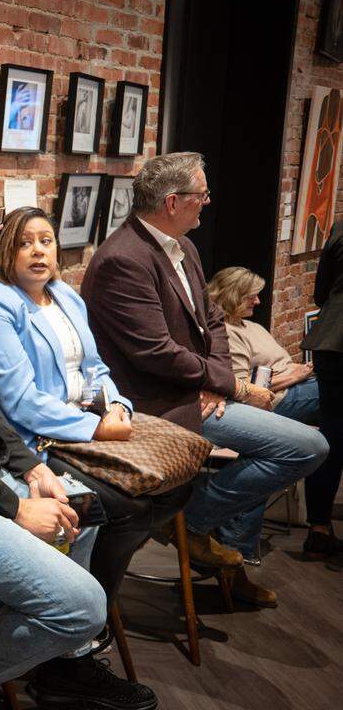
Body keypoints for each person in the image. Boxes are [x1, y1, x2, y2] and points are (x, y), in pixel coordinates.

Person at [0, 170, 158, 710]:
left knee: (77, 507)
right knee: (84, 605)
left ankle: (60, 666)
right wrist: (12, 504)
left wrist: (30, 469)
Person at [81, 151, 328, 607]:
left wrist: (219, 380)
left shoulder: (184, 248)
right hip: (156, 404)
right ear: (173, 202)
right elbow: (154, 351)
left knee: (307, 441)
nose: (208, 201)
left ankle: (203, 531)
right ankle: (198, 528)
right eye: (202, 194)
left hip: (200, 390)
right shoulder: (124, 259)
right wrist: (233, 385)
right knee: (307, 446)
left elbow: (211, 318)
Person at [210, 266, 340, 562]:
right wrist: (291, 377)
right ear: (233, 296)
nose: (257, 302)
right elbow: (240, 389)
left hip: (299, 387)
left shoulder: (251, 326)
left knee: (271, 455)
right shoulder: (227, 333)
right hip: (276, 399)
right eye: (251, 297)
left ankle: (239, 547)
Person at [301, 216, 343, 560]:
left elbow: (321, 292)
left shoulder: (342, 226)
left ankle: (318, 527)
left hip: (333, 339)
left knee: (332, 435)